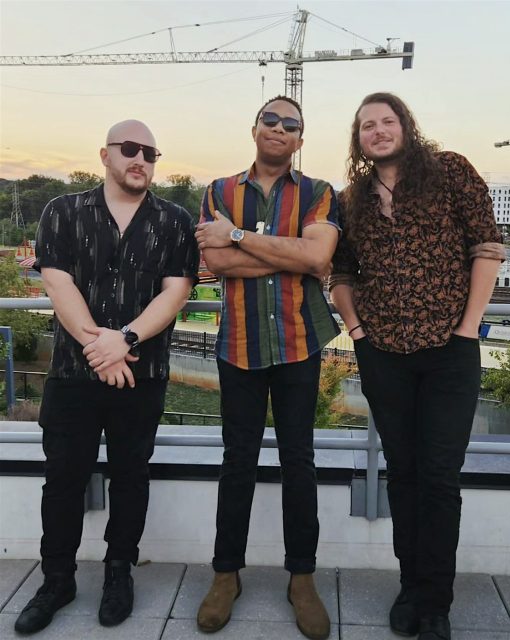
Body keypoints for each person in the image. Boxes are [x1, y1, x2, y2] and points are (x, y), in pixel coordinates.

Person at [329, 93, 505, 640]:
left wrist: (468, 327)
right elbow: (341, 274)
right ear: (358, 139)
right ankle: (410, 586)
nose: (378, 131)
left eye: (387, 121)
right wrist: (358, 333)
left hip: (450, 350)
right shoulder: (352, 199)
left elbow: (487, 246)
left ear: (406, 126)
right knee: (402, 475)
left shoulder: (449, 171)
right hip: (383, 355)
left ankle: (436, 602)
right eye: (367, 126)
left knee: (439, 478)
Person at [14, 120, 199, 635]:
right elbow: (59, 284)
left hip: (142, 373)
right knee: (62, 479)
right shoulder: (63, 211)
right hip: (73, 373)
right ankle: (57, 580)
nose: (140, 160)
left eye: (150, 153)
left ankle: (120, 573)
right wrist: (103, 350)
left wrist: (127, 340)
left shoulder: (174, 220)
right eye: (130, 149)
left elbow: (176, 292)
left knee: (131, 476)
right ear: (105, 154)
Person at [194, 96, 339, 640]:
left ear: (300, 140)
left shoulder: (319, 192)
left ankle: (301, 579)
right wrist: (286, 253)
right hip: (239, 345)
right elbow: (215, 262)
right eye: (270, 120)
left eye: (291, 124)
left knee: (299, 463)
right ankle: (225, 575)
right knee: (238, 463)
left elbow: (318, 258)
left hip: (300, 344)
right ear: (254, 128)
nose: (279, 128)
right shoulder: (218, 191)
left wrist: (238, 237)